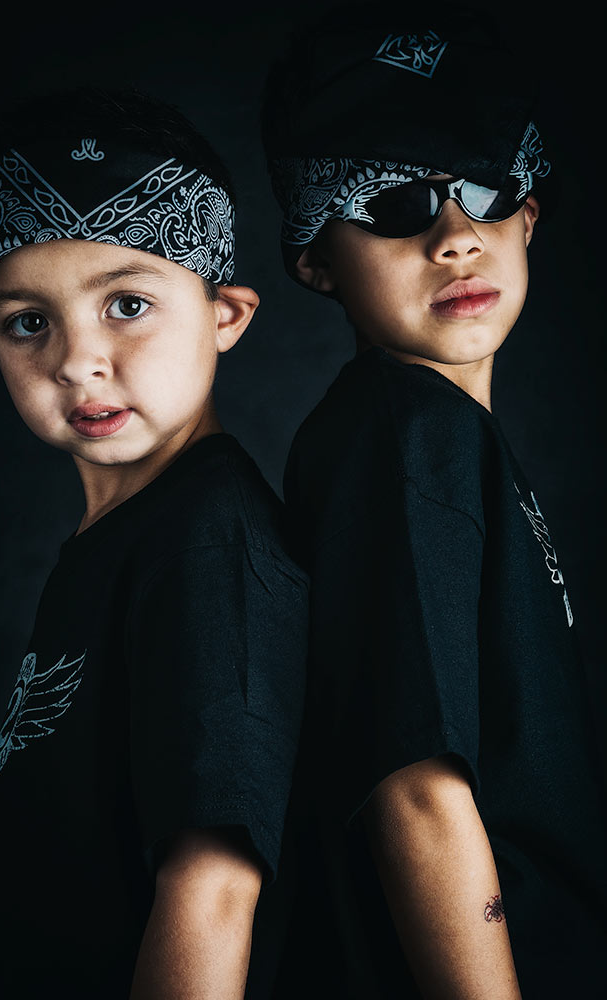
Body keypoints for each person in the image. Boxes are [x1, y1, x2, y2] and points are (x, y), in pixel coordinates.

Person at [260, 3, 607, 997]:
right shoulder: (403, 434)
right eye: (396, 203)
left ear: (528, 215)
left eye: (483, 189)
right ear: (316, 258)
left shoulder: (437, 437)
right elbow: (416, 787)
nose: (455, 236)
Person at [0, 86, 308, 999]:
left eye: (127, 305)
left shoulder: (209, 544)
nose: (75, 359)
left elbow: (212, 887)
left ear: (226, 314)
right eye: (30, 322)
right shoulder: (128, 533)